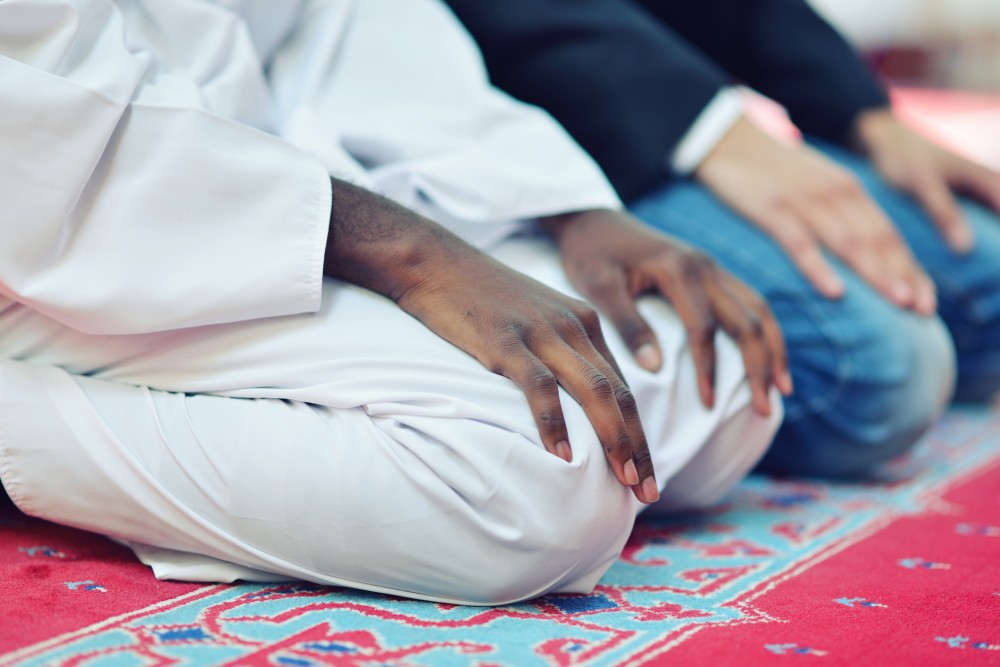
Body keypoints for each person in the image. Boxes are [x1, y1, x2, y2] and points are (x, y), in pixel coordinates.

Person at [0, 0, 788, 605]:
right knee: (538, 484)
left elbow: (347, 27)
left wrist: (566, 204)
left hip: (266, 180)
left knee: (709, 378)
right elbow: (40, 121)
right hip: (70, 226)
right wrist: (412, 255)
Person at [444, 0, 1000, 477]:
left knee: (988, 279)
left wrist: (861, 110)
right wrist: (704, 131)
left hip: (674, 67)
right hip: (562, 107)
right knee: (885, 374)